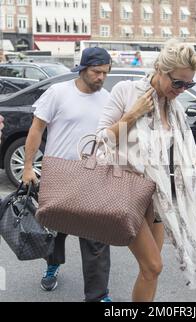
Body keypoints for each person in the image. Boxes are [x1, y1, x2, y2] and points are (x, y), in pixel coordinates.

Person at [96, 40, 196, 302]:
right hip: (127, 193)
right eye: (178, 83)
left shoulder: (175, 109)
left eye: (189, 85)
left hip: (157, 196)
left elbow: (190, 156)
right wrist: (132, 115)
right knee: (153, 265)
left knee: (150, 271)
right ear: (160, 69)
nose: (182, 90)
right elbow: (99, 142)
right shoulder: (126, 92)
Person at [22, 47, 112, 302]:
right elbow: (36, 129)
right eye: (96, 72)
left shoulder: (106, 98)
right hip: (58, 174)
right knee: (55, 231)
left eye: (105, 73)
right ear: (82, 69)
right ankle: (52, 265)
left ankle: (98, 295)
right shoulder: (58, 93)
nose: (101, 78)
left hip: (92, 175)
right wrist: (29, 167)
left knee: (96, 236)